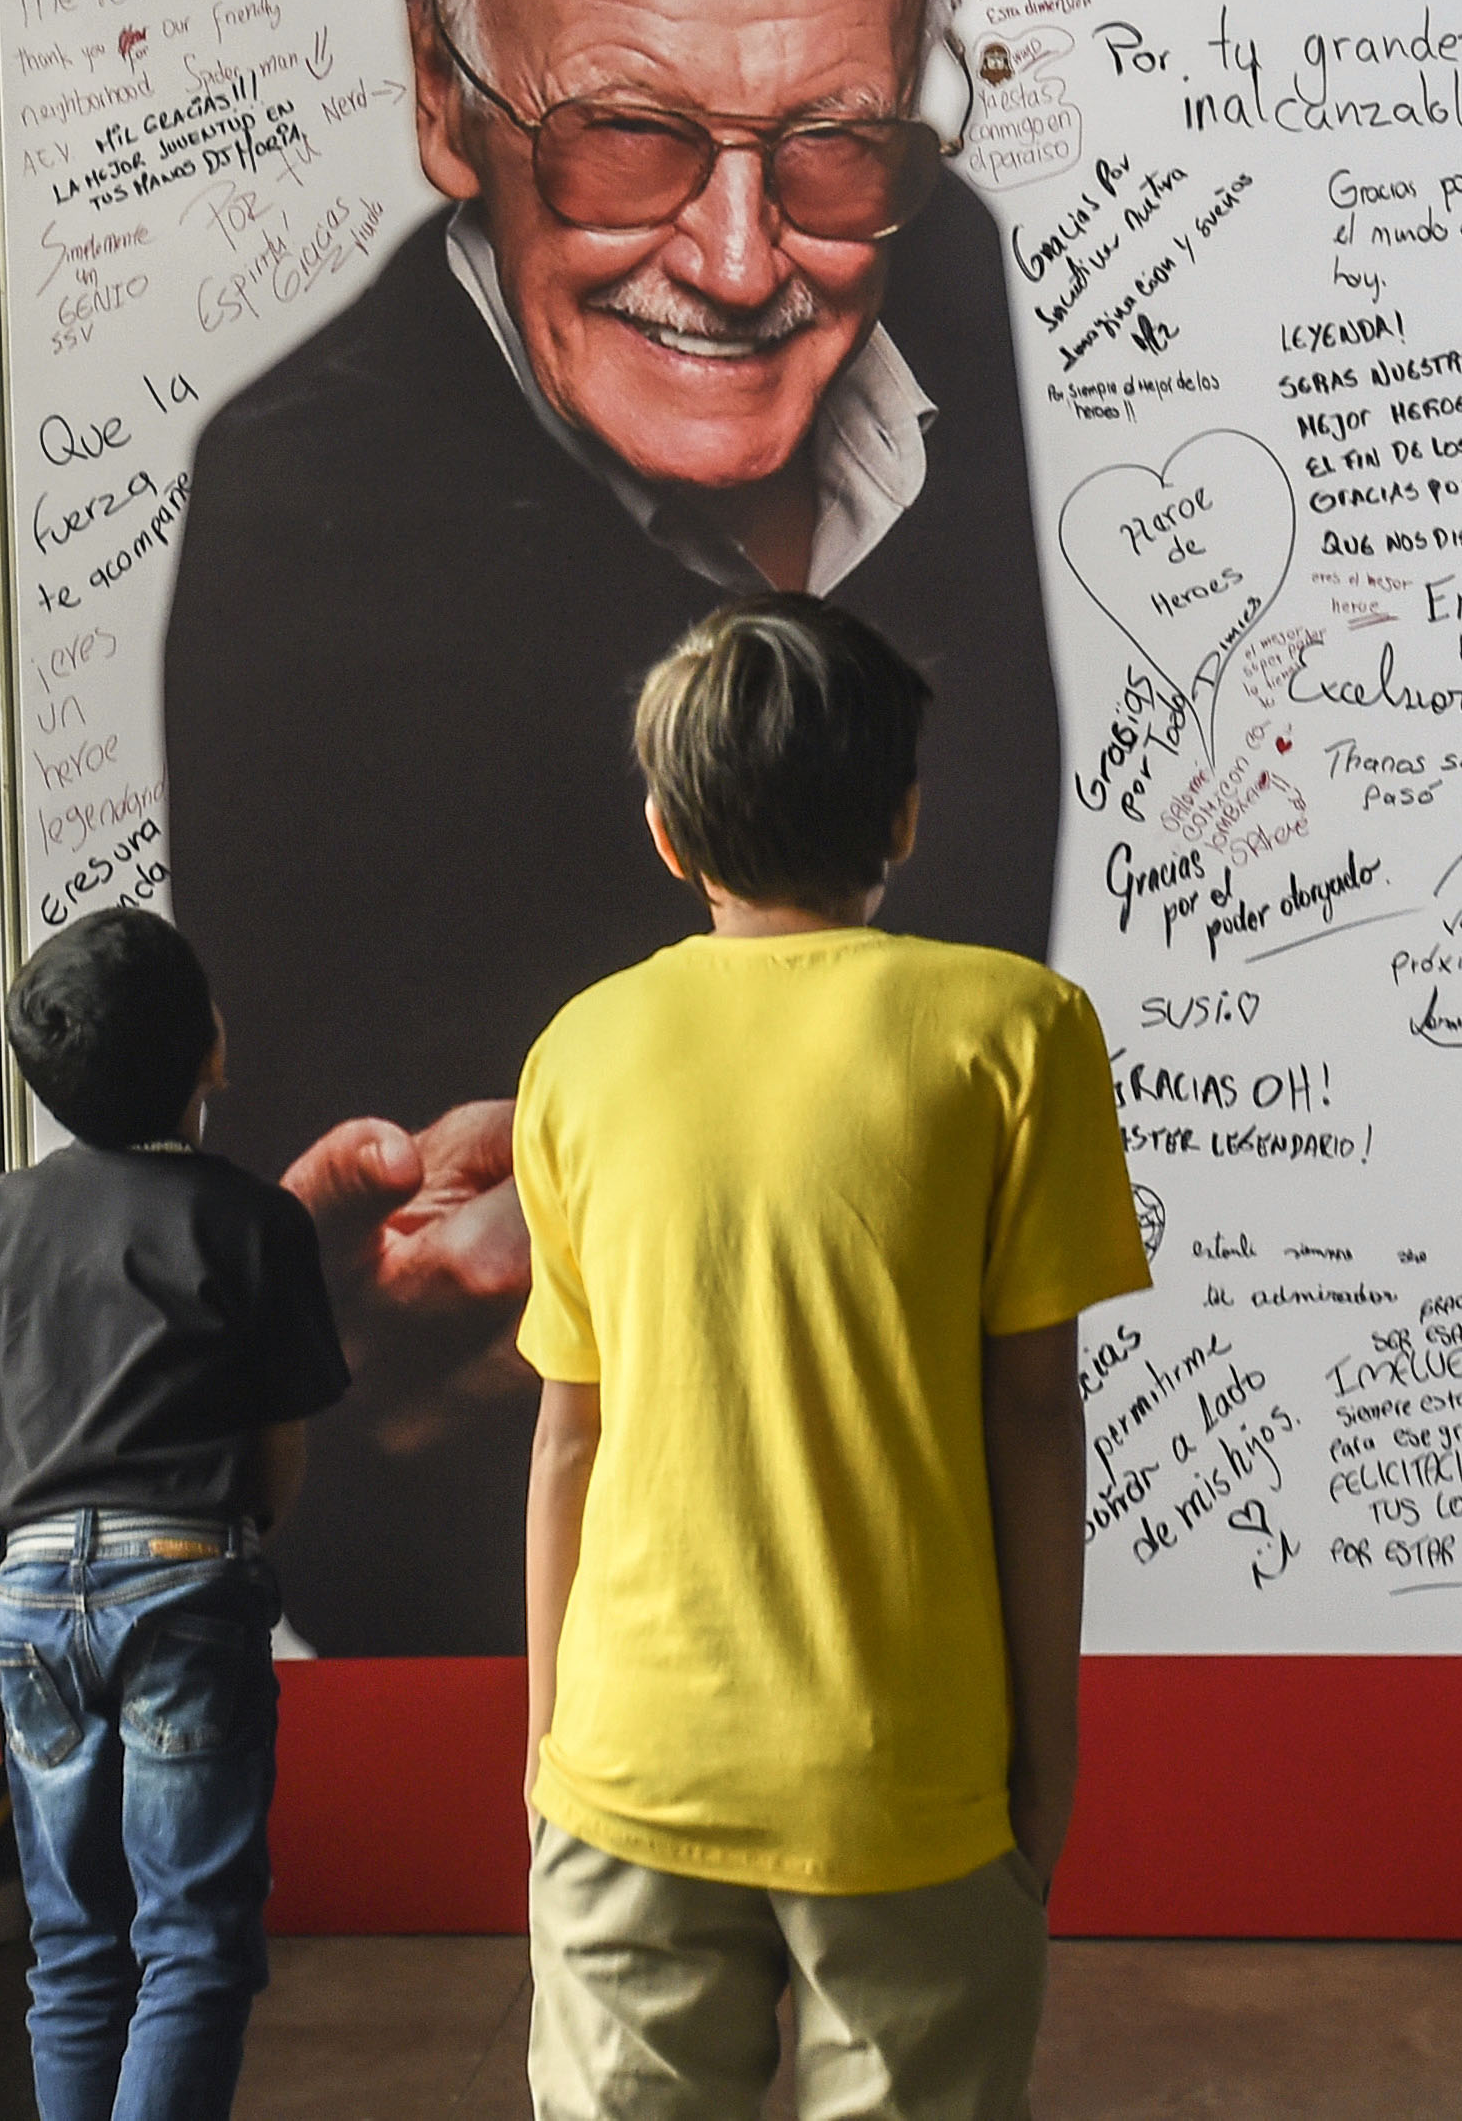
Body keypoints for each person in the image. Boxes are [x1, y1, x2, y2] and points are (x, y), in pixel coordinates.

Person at [161, 0, 1062, 1657]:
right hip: (551, 1599)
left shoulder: (941, 266)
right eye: (627, 143)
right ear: (442, 85)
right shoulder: (300, 501)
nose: (742, 261)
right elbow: (333, 1276)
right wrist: (420, 1266)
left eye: (834, 142)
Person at [516, 595, 1149, 2121]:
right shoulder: (1018, 1029)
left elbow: (568, 1443)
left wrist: (550, 1753)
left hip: (629, 1760)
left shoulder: (579, 1050)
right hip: (908, 1765)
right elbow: (1034, 1421)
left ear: (668, 835)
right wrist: (1043, 1754)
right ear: (908, 818)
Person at [0, 908, 351, 2121]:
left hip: (25, 1597)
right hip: (187, 1579)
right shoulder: (256, 1224)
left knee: (75, 1946)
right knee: (192, 1942)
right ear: (210, 1048)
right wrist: (231, 1541)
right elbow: (277, 1451)